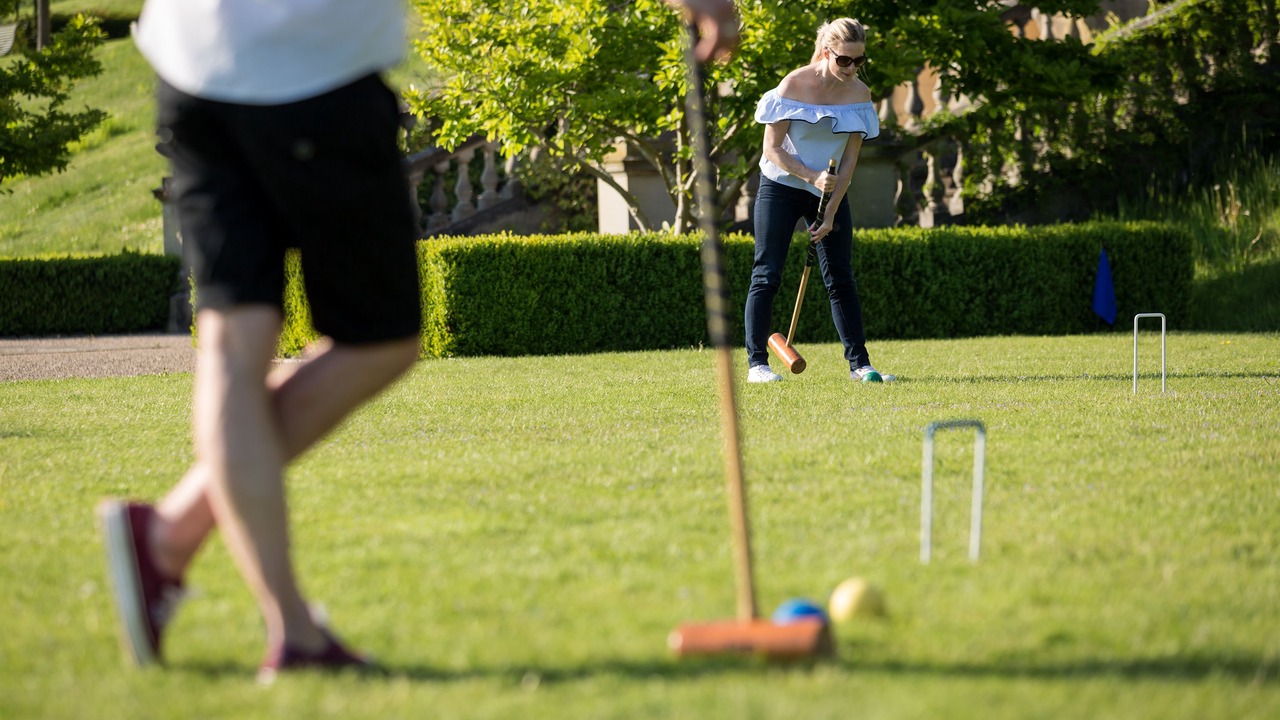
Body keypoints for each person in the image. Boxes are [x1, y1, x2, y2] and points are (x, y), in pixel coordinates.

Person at [97, 0, 740, 682]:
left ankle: (174, 544)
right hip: (312, 71)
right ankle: (271, 616)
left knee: (236, 340)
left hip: (192, 65)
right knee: (378, 341)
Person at [743, 18, 894, 384]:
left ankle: (861, 366)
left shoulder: (859, 95)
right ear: (827, 52)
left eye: (859, 61)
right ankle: (757, 365)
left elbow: (849, 161)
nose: (852, 69)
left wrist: (829, 211)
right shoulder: (795, 84)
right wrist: (810, 176)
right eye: (844, 60)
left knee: (841, 277)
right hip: (780, 186)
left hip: (828, 193)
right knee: (767, 273)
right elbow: (772, 150)